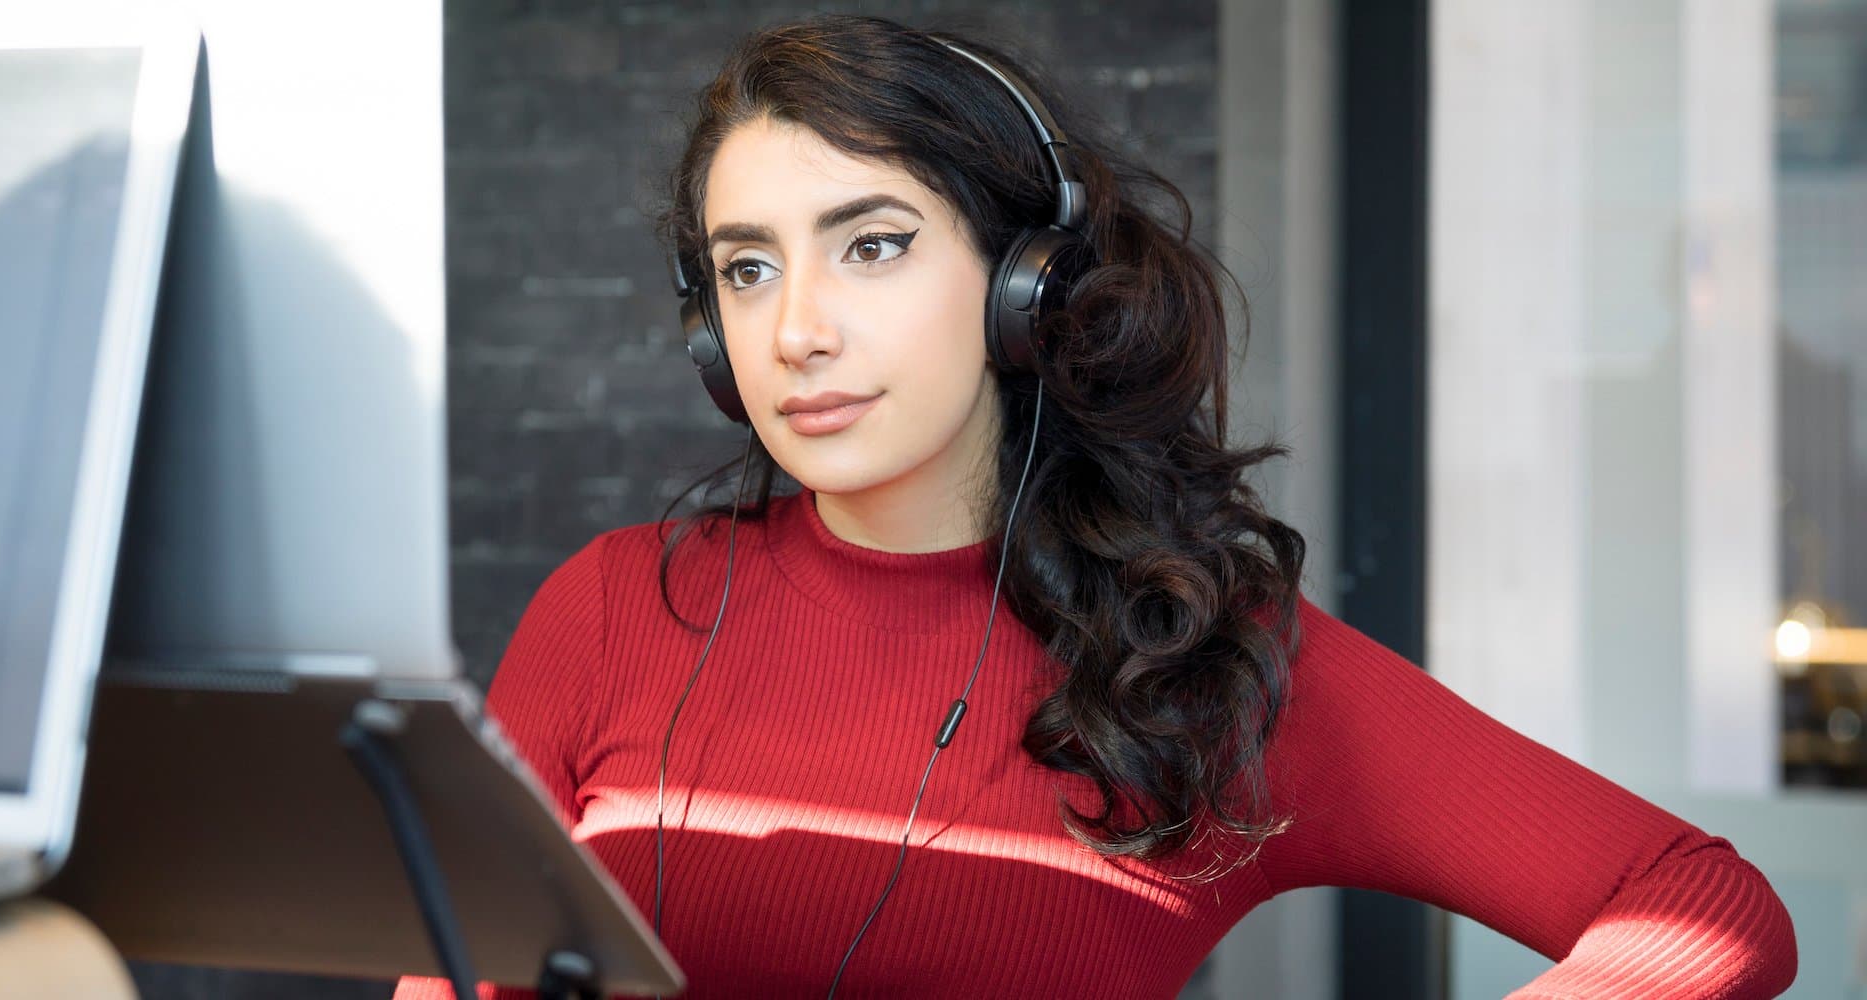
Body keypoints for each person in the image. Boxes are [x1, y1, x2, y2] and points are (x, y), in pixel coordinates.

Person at [398, 13, 1796, 998]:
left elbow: (1700, 901)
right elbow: (450, 972)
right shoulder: (616, 603)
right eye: (747, 270)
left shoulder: (1204, 658)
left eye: (872, 246)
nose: (797, 330)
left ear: (1031, 289)